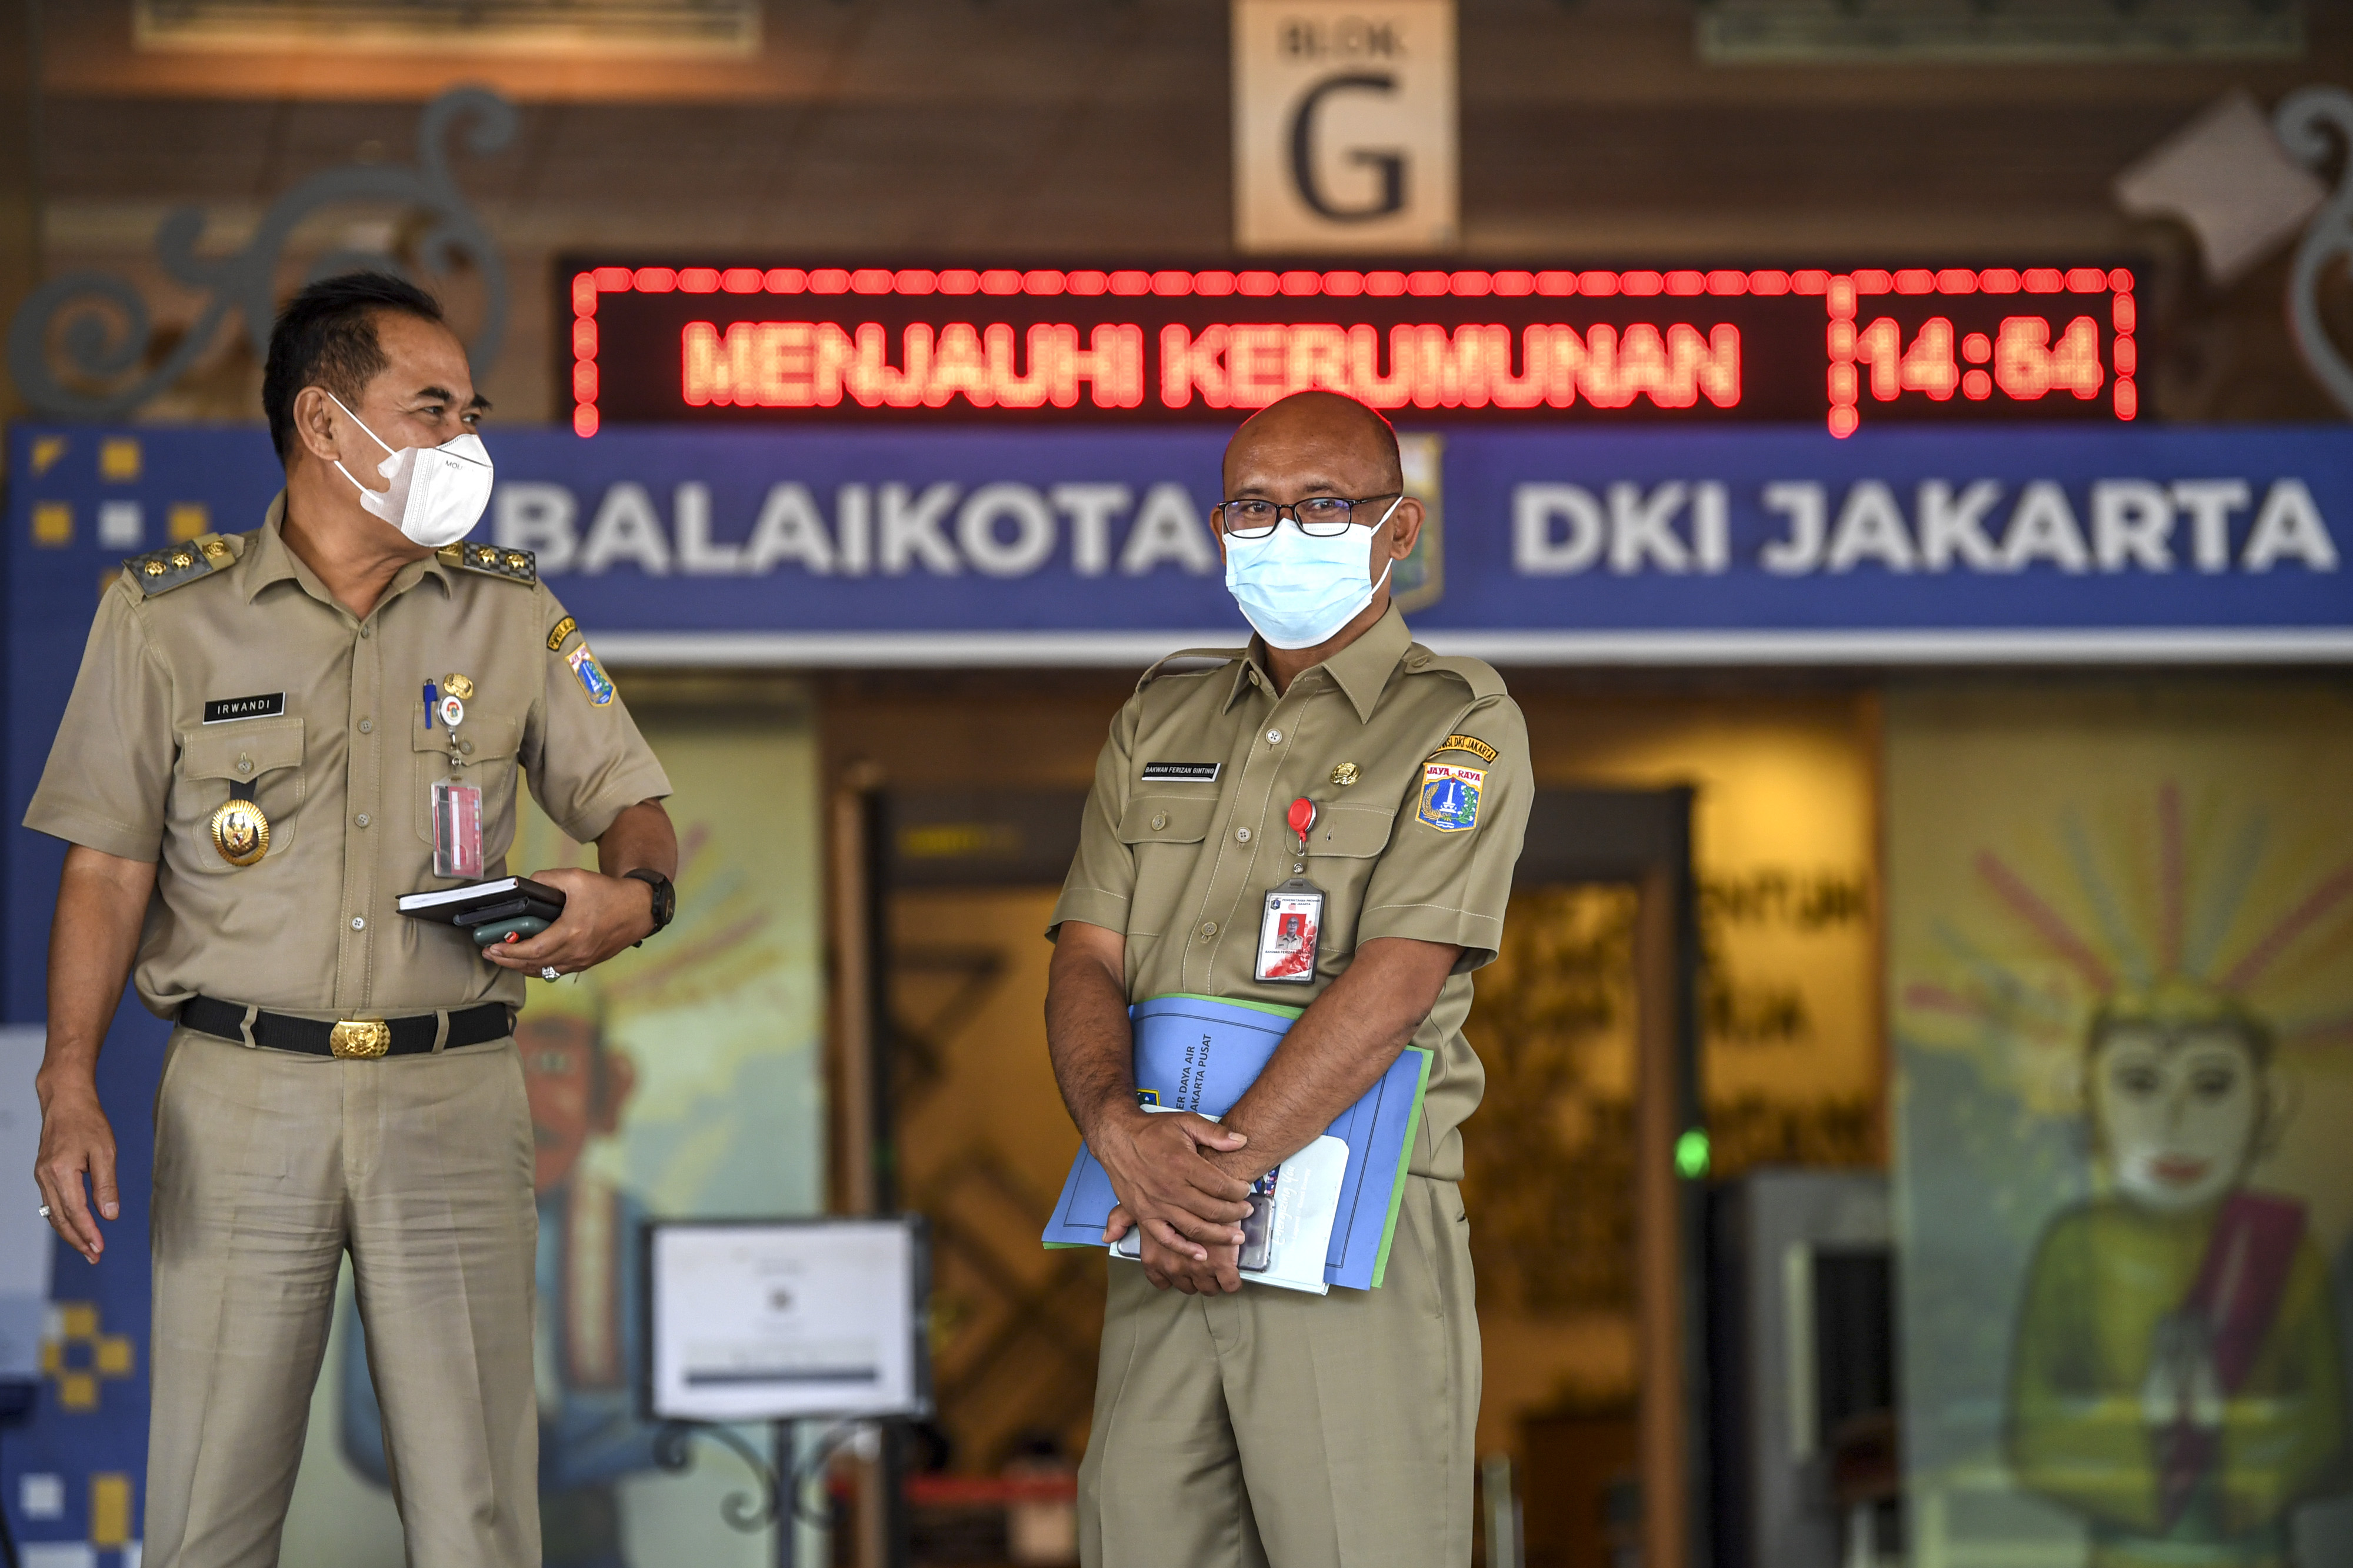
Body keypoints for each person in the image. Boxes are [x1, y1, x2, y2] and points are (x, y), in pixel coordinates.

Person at [24, 271, 679, 1568]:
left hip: (452, 1094)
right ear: (326, 427)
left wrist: (635, 896)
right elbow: (104, 872)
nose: (464, 443)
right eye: (430, 409)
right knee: (211, 1512)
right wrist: (68, 1081)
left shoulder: (508, 610)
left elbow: (636, 805)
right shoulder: (165, 619)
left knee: (477, 1517)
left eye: (469, 411)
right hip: (241, 1091)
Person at [1044, 390, 1530, 1566]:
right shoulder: (1156, 719)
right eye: (1251, 507)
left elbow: (1397, 978)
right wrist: (1120, 1134)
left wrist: (1209, 1180)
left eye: (1321, 505)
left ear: (1396, 532)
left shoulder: (1457, 724)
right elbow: (1085, 956)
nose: (1281, 530)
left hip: (1344, 1224)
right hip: (1158, 1218)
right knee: (1136, 1537)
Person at [2007, 978, 2347, 1567]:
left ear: (2266, 1100)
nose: (2173, 1119)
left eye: (2212, 1084)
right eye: (2138, 1083)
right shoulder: (2074, 1246)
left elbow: (2329, 1431)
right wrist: (2151, 1427)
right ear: (2087, 1097)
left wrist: (2219, 1421)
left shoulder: (2287, 1248)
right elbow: (2032, 1433)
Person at [340, 995, 661, 1568]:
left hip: (585, 1534)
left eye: (557, 1066)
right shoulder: (404, 1226)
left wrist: (548, 1453)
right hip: (451, 1529)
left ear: (607, 1091)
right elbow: (364, 1420)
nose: (530, 1100)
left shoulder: (629, 1232)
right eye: (510, 1063)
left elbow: (664, 1412)